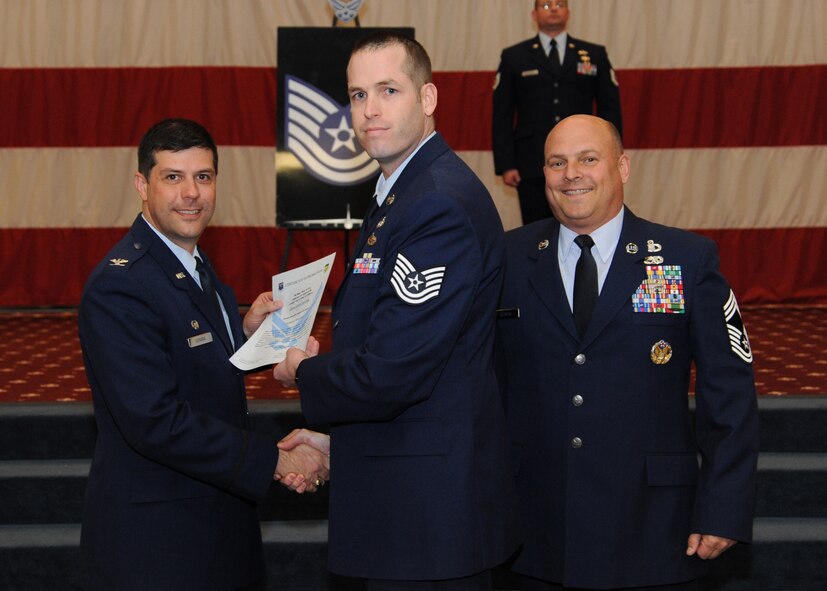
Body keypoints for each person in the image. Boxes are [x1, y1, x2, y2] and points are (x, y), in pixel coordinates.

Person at [274, 31, 519, 590]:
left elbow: (393, 368)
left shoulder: (435, 203)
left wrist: (302, 371)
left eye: (389, 90)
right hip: (409, 494)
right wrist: (336, 438)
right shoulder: (399, 193)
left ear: (429, 99)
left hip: (430, 515)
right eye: (358, 96)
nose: (370, 110)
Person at [495, 115, 759, 590]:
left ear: (622, 167)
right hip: (533, 530)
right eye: (557, 163)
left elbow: (730, 395)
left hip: (653, 528)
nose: (571, 174)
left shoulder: (686, 259)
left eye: (588, 159)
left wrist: (724, 507)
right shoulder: (507, 257)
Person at [77, 118, 329, 591]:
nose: (191, 193)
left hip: (214, 522)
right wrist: (272, 460)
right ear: (142, 185)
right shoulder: (121, 285)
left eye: (204, 177)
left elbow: (186, 357)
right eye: (172, 177)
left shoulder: (193, 263)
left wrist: (243, 332)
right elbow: (154, 418)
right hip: (158, 544)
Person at [492, 0, 622, 224]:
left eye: (559, 4)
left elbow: (610, 109)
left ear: (568, 12)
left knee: (585, 220)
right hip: (531, 161)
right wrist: (507, 163)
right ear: (534, 14)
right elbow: (502, 114)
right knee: (536, 228)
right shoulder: (515, 56)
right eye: (545, 5)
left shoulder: (593, 54)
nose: (553, 8)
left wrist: (612, 156)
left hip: (584, 159)